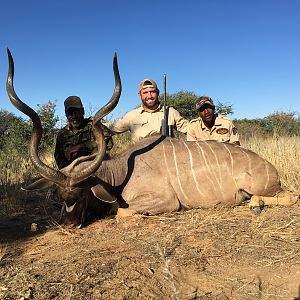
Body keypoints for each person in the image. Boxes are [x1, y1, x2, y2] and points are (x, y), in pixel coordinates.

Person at [109, 78, 188, 143]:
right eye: (145, 92)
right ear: (140, 95)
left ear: (158, 93)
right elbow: (110, 129)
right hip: (140, 159)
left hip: (166, 157)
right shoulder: (132, 115)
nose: (149, 96)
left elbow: (189, 128)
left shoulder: (170, 112)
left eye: (152, 92)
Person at [54, 96, 113, 169]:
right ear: (66, 115)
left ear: (83, 111)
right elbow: (58, 158)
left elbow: (108, 143)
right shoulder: (62, 134)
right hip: (72, 173)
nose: (74, 116)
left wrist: (86, 146)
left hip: (96, 168)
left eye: (77, 112)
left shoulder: (94, 125)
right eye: (70, 113)